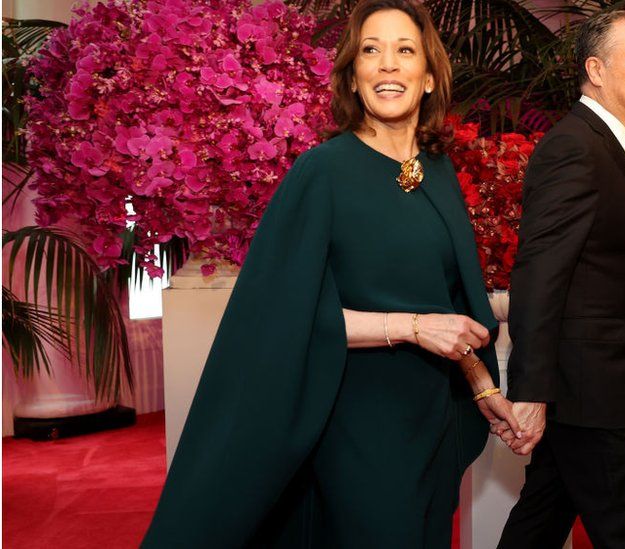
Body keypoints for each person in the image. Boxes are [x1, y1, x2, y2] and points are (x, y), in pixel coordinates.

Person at [141, 1, 520, 547]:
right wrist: (412, 326)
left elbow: (451, 298)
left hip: (431, 421)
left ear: (431, 77)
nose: (387, 65)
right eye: (371, 50)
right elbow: (280, 316)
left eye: (404, 50)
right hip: (357, 423)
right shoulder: (322, 173)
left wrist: (483, 390)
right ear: (353, 74)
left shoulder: (435, 170)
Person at [496, 10, 625, 549]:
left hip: (595, 389)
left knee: (541, 517)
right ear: (596, 69)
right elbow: (541, 275)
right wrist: (529, 390)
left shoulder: (612, 144)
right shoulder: (575, 147)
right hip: (595, 394)